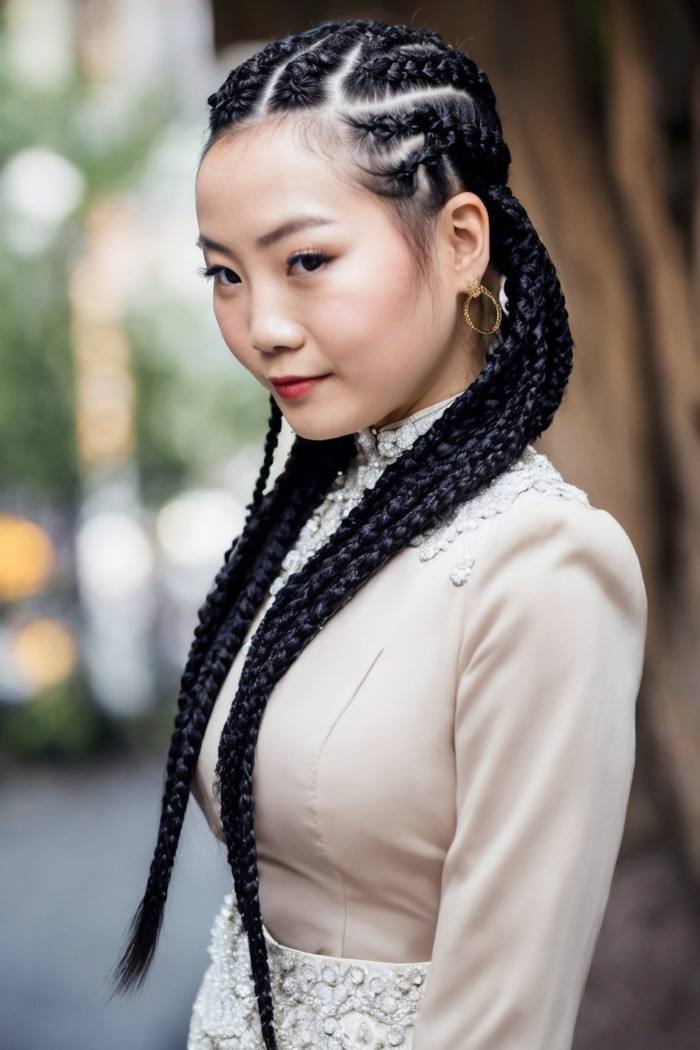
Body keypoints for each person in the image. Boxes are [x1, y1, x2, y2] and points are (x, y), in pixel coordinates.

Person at [109, 16, 648, 1050]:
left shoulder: (541, 566)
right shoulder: (306, 527)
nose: (260, 323)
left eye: (305, 260)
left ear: (458, 243)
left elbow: (504, 1020)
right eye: (224, 274)